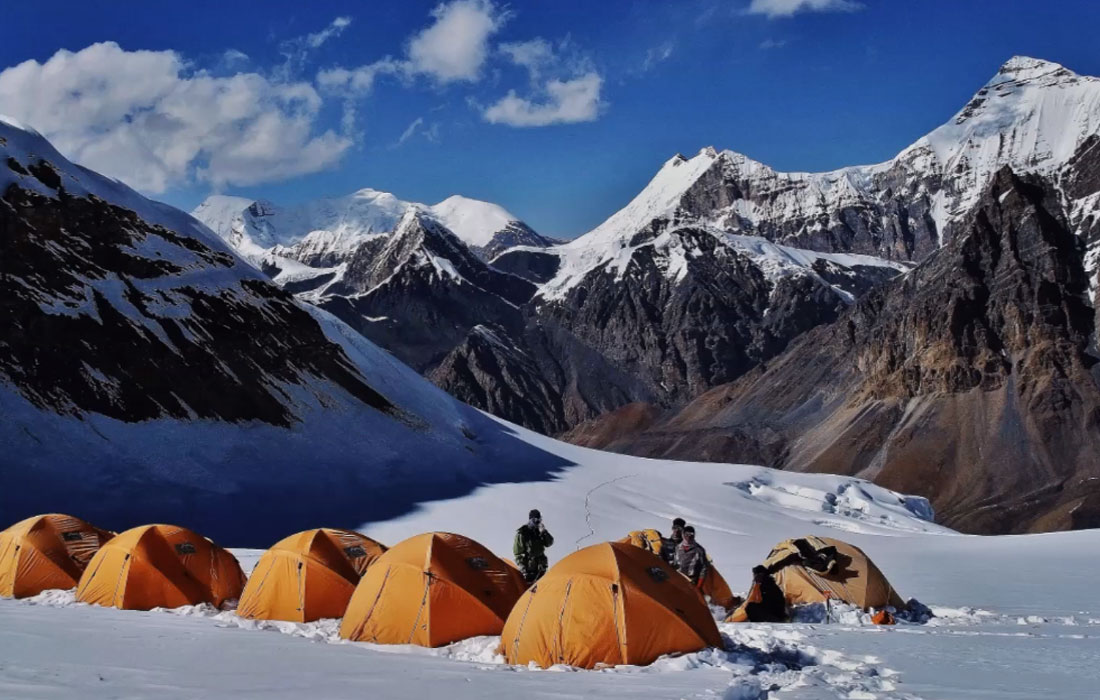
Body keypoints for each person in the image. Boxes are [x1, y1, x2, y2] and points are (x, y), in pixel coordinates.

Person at [514, 509, 554, 584]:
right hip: (529, 571)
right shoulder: (522, 533)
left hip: (541, 569)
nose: (537, 522)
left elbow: (549, 543)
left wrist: (544, 532)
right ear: (530, 519)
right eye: (535, 520)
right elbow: (518, 554)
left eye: (539, 520)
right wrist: (523, 569)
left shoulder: (540, 532)